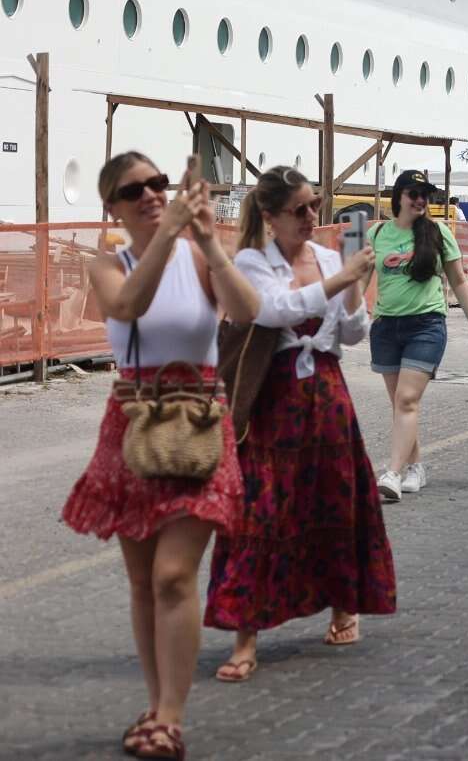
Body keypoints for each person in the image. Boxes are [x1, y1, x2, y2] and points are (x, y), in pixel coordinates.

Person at [63, 152, 260, 760]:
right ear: (112, 207)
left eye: (157, 183)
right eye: (134, 190)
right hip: (136, 420)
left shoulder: (200, 255)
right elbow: (128, 307)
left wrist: (204, 238)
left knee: (174, 574)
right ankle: (155, 703)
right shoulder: (106, 264)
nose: (150, 194)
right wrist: (168, 231)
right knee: (144, 581)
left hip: (199, 420)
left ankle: (170, 716)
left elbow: (248, 311)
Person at [207, 167, 395, 684]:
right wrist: (340, 278)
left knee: (336, 500)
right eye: (301, 209)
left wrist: (356, 287)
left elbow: (353, 334)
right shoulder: (252, 261)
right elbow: (272, 311)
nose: (313, 217)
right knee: (260, 511)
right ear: (270, 216)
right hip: (274, 397)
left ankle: (344, 608)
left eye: (316, 205)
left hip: (327, 394)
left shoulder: (333, 257)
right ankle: (246, 636)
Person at [368, 169, 468, 503]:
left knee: (406, 399)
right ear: (399, 196)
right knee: (402, 404)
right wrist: (344, 317)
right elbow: (360, 275)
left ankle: (392, 473)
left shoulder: (439, 233)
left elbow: (459, 280)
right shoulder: (377, 235)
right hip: (386, 327)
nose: (421, 200)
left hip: (426, 325)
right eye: (414, 194)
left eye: (425, 195)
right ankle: (416, 465)